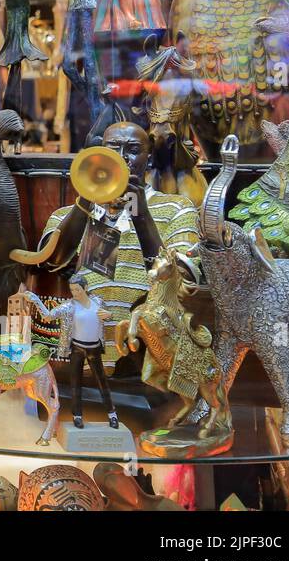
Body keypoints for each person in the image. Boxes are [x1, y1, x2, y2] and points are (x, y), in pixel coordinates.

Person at [37, 121, 198, 370]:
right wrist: (86, 201)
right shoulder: (66, 215)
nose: (122, 158)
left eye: (133, 149)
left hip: (147, 357)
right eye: (113, 148)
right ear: (98, 154)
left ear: (150, 158)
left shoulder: (178, 208)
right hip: (82, 354)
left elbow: (179, 281)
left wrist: (140, 212)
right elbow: (52, 261)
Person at [23, 278, 117, 429]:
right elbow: (48, 316)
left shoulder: (98, 302)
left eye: (78, 290)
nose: (75, 293)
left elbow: (110, 317)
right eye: (72, 290)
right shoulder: (68, 306)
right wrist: (36, 300)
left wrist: (108, 315)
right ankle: (77, 416)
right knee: (75, 384)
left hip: (94, 348)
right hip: (77, 348)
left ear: (85, 288)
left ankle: (112, 414)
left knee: (102, 382)